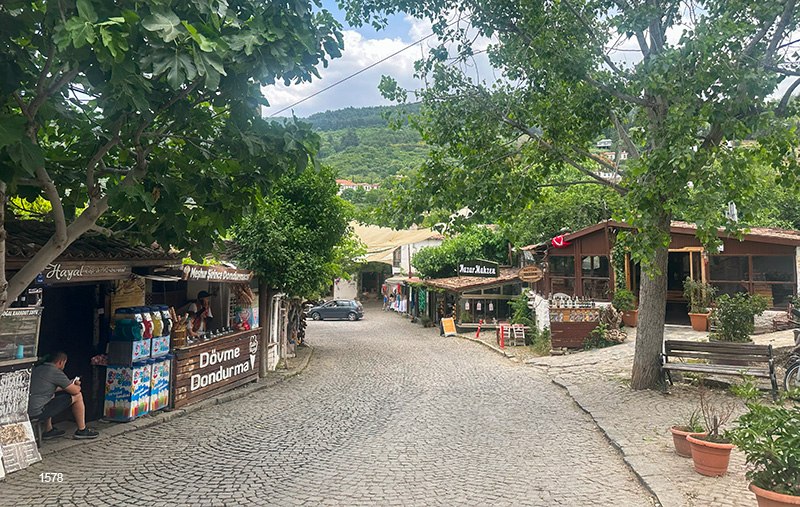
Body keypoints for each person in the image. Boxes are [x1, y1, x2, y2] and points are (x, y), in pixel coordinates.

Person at [28, 352, 99, 440]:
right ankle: (82, 430)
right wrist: (77, 385)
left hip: (28, 409)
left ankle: (49, 430)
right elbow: (75, 391)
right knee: (78, 396)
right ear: (61, 362)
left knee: (51, 395)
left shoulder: (38, 368)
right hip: (39, 411)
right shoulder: (55, 372)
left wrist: (67, 384)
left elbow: (49, 389)